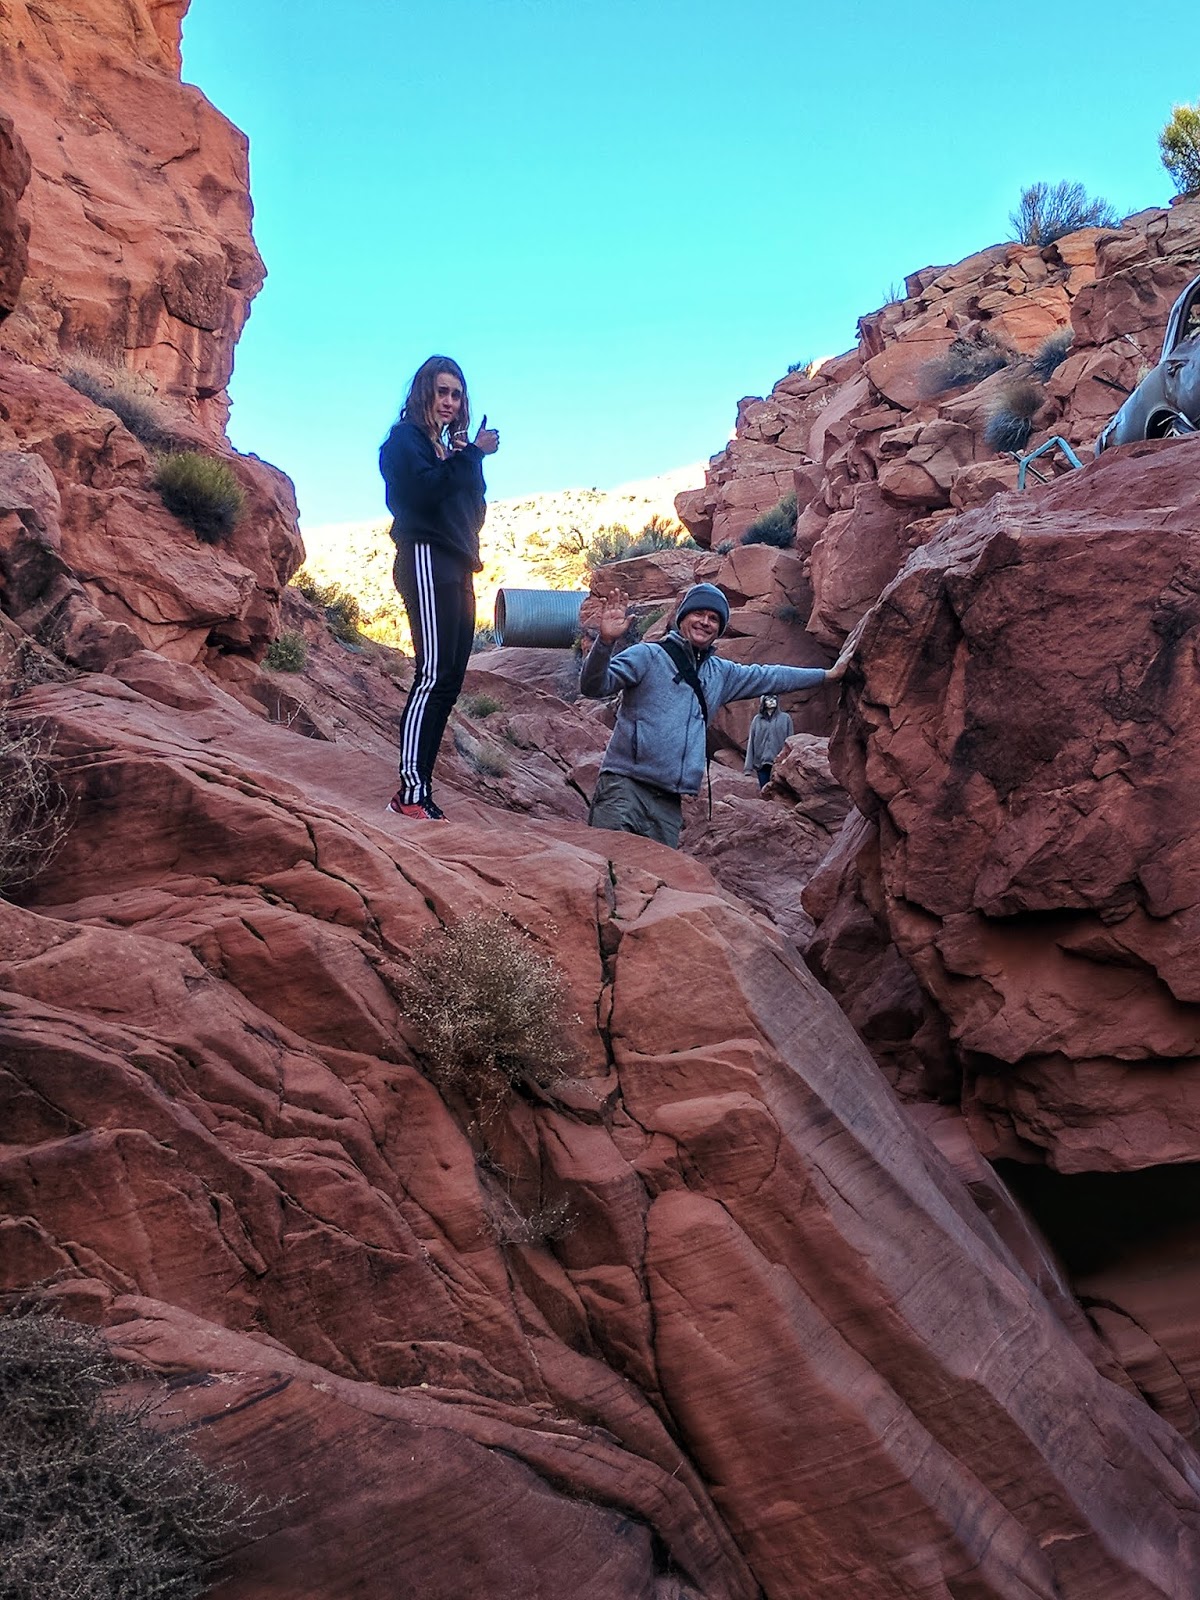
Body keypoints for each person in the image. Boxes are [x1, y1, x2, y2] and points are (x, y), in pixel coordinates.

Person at [580, 581, 849, 847]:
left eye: (714, 618)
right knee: (608, 866)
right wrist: (605, 643)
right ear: (683, 617)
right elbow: (594, 686)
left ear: (719, 629)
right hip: (625, 788)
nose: (705, 622)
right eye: (698, 613)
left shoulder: (721, 674)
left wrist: (827, 675)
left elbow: (771, 676)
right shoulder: (647, 655)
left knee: (653, 873)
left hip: (669, 803)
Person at [379, 356, 499, 820]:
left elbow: (474, 511)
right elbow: (422, 494)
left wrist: (465, 460)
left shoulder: (449, 450)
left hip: (458, 563)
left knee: (449, 680)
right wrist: (471, 457)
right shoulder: (404, 441)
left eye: (456, 394)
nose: (449, 402)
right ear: (424, 392)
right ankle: (409, 793)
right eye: (442, 391)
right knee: (431, 674)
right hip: (426, 557)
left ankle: (421, 790)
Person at [745, 694, 794, 790]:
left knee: (779, 792)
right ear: (763, 702)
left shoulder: (785, 718)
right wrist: (748, 768)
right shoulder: (757, 720)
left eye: (774, 698)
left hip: (780, 763)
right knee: (765, 791)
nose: (772, 701)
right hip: (761, 764)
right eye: (768, 699)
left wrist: (789, 761)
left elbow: (791, 741)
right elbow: (751, 743)